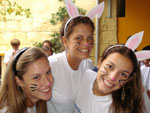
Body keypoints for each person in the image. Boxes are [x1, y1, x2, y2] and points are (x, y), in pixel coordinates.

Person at [47, 0, 104, 112]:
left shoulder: (88, 65)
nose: (87, 44)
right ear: (65, 41)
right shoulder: (51, 65)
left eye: (90, 37)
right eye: (79, 38)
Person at [74, 45, 145, 113]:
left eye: (123, 74)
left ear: (128, 80)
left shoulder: (119, 109)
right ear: (100, 63)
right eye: (110, 66)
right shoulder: (83, 76)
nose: (112, 77)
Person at [0, 47, 54, 113]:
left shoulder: (37, 102)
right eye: (36, 77)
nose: (47, 82)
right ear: (19, 81)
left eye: (48, 72)